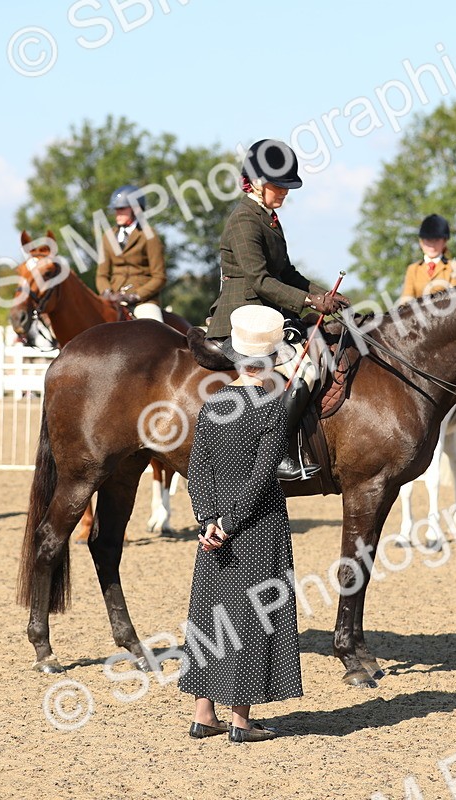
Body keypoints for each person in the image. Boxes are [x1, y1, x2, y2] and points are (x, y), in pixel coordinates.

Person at [179, 305, 303, 743]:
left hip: (213, 530)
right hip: (256, 526)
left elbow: (197, 470)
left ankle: (203, 715)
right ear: (269, 360)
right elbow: (262, 476)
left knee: (209, 614)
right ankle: (240, 721)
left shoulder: (213, 404)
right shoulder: (271, 409)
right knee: (251, 615)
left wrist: (208, 520)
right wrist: (230, 523)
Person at [204, 138, 351, 480]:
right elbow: (259, 281)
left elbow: (287, 273)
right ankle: (276, 453)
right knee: (306, 371)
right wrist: (310, 302)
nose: (284, 192)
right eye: (278, 185)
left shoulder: (268, 218)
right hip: (243, 314)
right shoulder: (244, 220)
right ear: (256, 182)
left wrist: (326, 295)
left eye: (287, 186)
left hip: (267, 313)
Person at [398, 213, 456, 436]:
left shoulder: (453, 267)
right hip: (418, 329)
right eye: (427, 240)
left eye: (436, 240)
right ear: (421, 242)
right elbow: (406, 297)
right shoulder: (413, 269)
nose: (431, 244)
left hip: (445, 330)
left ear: (444, 242)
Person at [95, 184, 166, 321]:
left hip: (143, 301)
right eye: (116, 209)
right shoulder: (108, 236)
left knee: (152, 327)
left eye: (122, 209)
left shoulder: (149, 235)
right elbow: (101, 275)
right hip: (114, 298)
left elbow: (159, 277)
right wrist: (107, 292)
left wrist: (136, 295)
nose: (117, 213)